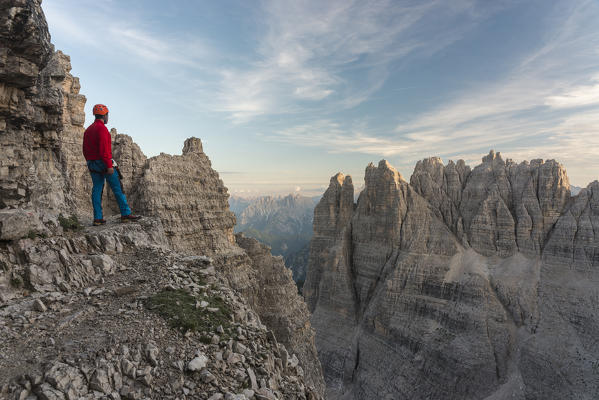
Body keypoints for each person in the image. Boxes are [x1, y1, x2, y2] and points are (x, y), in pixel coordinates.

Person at [83, 104, 141, 226]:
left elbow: (84, 149)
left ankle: (97, 218)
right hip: (103, 163)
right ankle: (125, 214)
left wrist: (89, 162)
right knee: (117, 187)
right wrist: (109, 166)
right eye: (107, 115)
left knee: (97, 189)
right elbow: (104, 150)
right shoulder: (102, 129)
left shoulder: (88, 130)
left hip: (91, 163)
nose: (108, 117)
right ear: (104, 115)